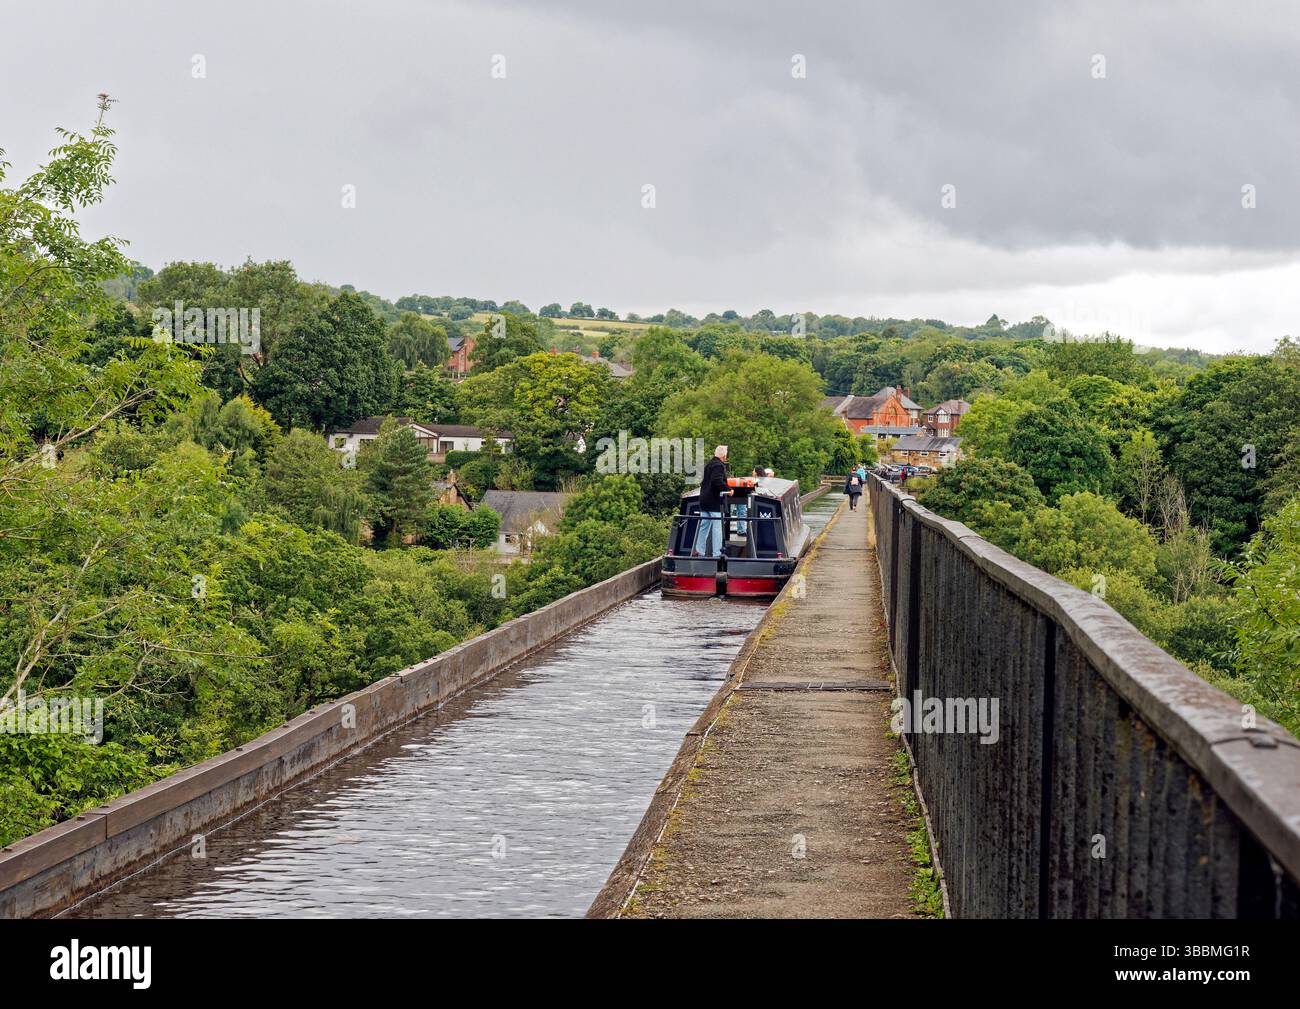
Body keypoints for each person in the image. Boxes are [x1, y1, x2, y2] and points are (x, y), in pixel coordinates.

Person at [694, 445, 731, 556]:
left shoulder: (708, 464)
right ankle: (717, 554)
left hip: (704, 500)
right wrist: (728, 489)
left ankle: (699, 551)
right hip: (714, 502)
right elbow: (717, 481)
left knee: (704, 525)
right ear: (724, 456)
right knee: (717, 527)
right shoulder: (719, 466)